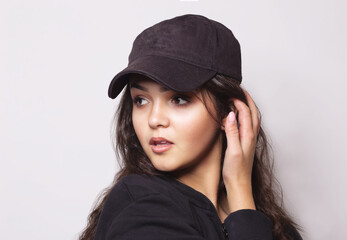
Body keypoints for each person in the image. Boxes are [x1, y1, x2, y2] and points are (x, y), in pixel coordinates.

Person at [79, 14, 303, 240]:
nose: (154, 119)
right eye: (141, 100)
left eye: (178, 99)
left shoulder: (276, 228)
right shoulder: (144, 212)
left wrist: (241, 196)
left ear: (228, 111)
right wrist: (241, 195)